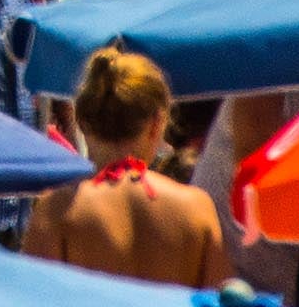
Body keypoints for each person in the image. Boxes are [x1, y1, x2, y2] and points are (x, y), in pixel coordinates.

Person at [25, 46, 225, 287]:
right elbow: (223, 302)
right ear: (157, 123)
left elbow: (30, 301)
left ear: (82, 121)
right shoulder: (196, 208)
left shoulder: (57, 210)